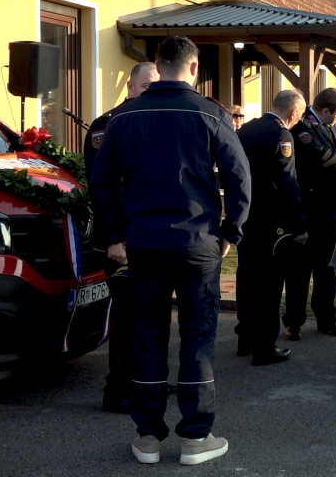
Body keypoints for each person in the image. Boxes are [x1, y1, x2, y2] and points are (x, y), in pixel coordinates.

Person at [92, 36, 250, 465]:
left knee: (148, 335)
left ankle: (147, 436)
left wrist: (115, 235)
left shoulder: (123, 117)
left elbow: (102, 181)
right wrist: (231, 232)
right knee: (197, 335)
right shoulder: (210, 113)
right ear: (194, 68)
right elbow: (239, 177)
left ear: (158, 65)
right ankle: (196, 437)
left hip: (144, 242)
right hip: (197, 241)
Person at [84, 61, 159, 414]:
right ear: (129, 87)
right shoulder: (108, 124)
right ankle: (117, 390)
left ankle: (142, 383)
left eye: (156, 86)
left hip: (148, 236)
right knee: (126, 318)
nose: (150, 92)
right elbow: (104, 187)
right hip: (121, 240)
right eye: (145, 86)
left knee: (148, 317)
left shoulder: (153, 120)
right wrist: (116, 238)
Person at [234, 90, 308, 364]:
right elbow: (286, 182)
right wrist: (299, 225)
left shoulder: (247, 129)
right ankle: (265, 347)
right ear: (294, 113)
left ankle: (245, 337)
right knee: (269, 283)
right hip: (271, 221)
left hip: (246, 217)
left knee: (247, 278)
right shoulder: (281, 135)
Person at [287, 88, 336, 338]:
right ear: (325, 110)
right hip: (308, 211)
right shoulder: (302, 128)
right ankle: (293, 320)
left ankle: (326, 316)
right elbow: (325, 158)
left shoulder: (332, 127)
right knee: (299, 271)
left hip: (330, 211)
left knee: (327, 271)